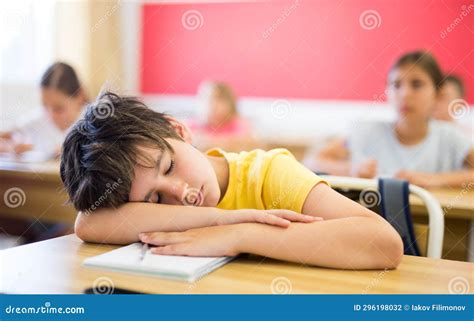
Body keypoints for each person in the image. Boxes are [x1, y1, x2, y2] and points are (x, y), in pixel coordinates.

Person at [60, 92, 403, 270]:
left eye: (169, 167)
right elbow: (88, 223)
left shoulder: (268, 173)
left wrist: (239, 234)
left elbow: (384, 242)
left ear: (179, 130)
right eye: (154, 200)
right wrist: (223, 217)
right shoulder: (153, 205)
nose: (181, 193)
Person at [309, 51, 473, 188]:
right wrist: (352, 169)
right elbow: (313, 161)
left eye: (416, 84)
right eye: (396, 85)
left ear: (437, 94)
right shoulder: (367, 132)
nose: (404, 94)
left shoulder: (450, 137)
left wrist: (434, 180)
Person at [0, 62, 88, 158]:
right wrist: (10, 148)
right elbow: (7, 134)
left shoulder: (94, 121)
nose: (51, 115)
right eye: (45, 106)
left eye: (58, 109)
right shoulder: (38, 119)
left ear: (79, 96)